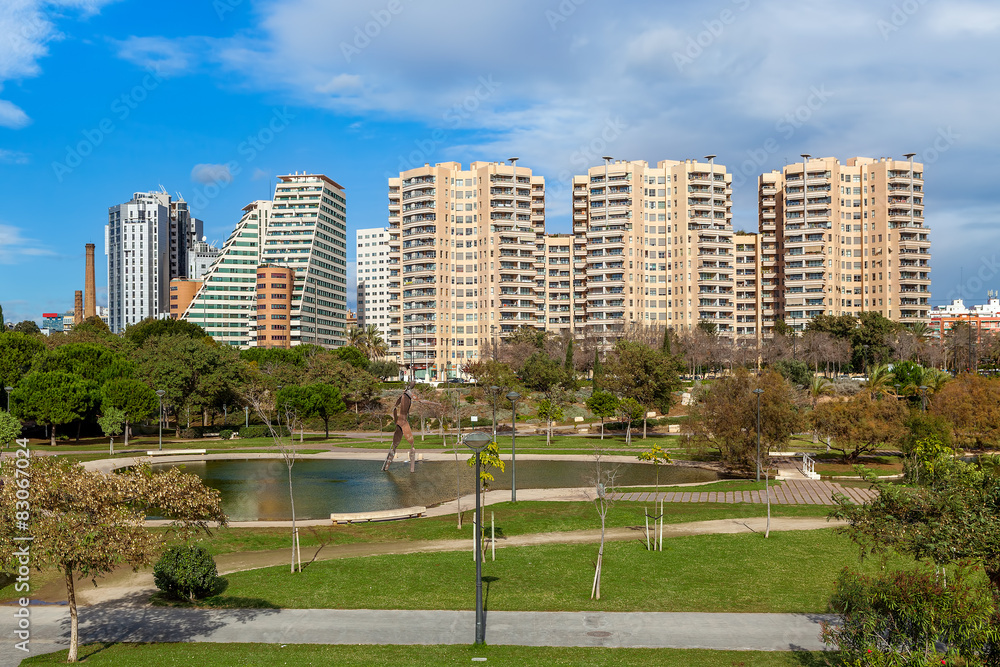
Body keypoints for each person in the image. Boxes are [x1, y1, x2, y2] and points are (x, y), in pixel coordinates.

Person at [381, 380, 416, 471]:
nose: (413, 385)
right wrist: (435, 404)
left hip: (400, 421)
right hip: (403, 422)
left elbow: (394, 408)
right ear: (410, 385)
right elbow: (394, 408)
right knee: (411, 445)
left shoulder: (404, 395)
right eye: (413, 384)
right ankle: (412, 469)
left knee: (395, 446)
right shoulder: (408, 394)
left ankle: (386, 467)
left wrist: (396, 420)